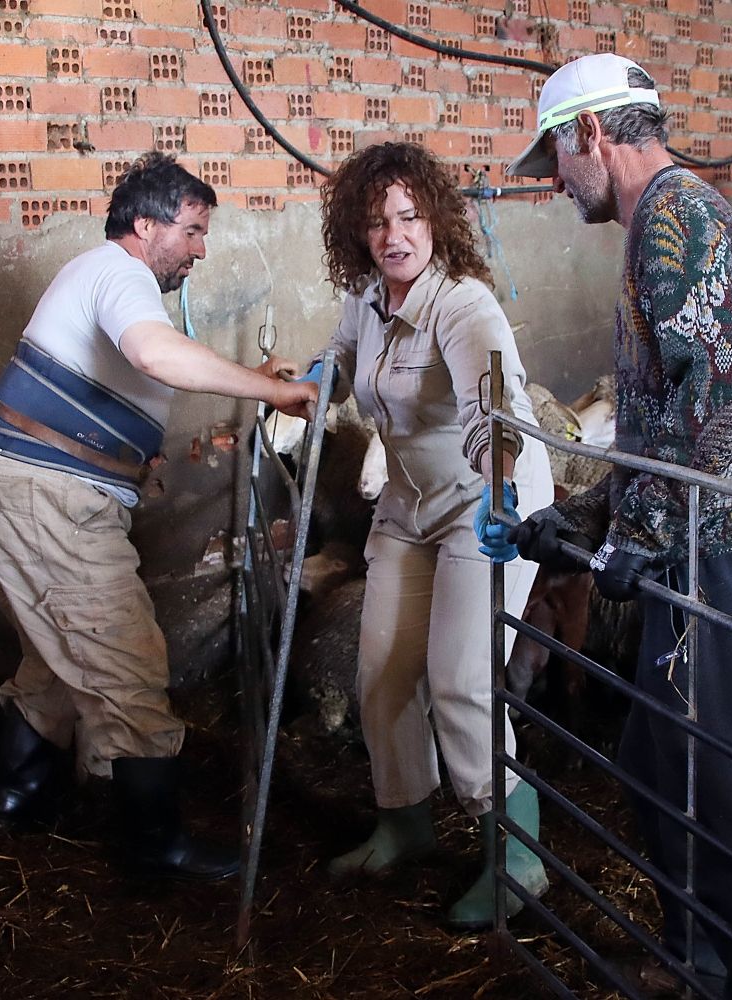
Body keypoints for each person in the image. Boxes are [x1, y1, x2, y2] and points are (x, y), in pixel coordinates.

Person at [505, 53, 732, 1000]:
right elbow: (667, 416)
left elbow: (723, 410)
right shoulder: (664, 222)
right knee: (653, 761)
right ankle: (706, 958)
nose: (556, 181)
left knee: (726, 791)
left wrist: (633, 538)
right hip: (698, 537)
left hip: (724, 547)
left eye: (556, 157)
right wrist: (592, 513)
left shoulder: (673, 219)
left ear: (590, 134)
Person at [0, 151, 318, 881]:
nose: (200, 248)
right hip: (42, 494)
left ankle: (19, 808)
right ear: (145, 224)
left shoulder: (109, 280)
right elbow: (155, 354)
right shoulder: (117, 272)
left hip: (15, 485)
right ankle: (156, 849)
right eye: (191, 230)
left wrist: (252, 379)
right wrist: (267, 392)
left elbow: (155, 351)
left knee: (58, 659)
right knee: (126, 660)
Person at [296, 141, 553, 929]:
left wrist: (500, 485)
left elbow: (492, 411)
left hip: (487, 504)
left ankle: (515, 851)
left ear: (436, 219)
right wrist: (307, 382)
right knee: (381, 672)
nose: (394, 235)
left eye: (409, 216)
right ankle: (403, 819)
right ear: (359, 233)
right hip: (409, 508)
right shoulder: (367, 300)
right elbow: (339, 362)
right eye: (377, 222)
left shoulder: (464, 306)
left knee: (460, 680)